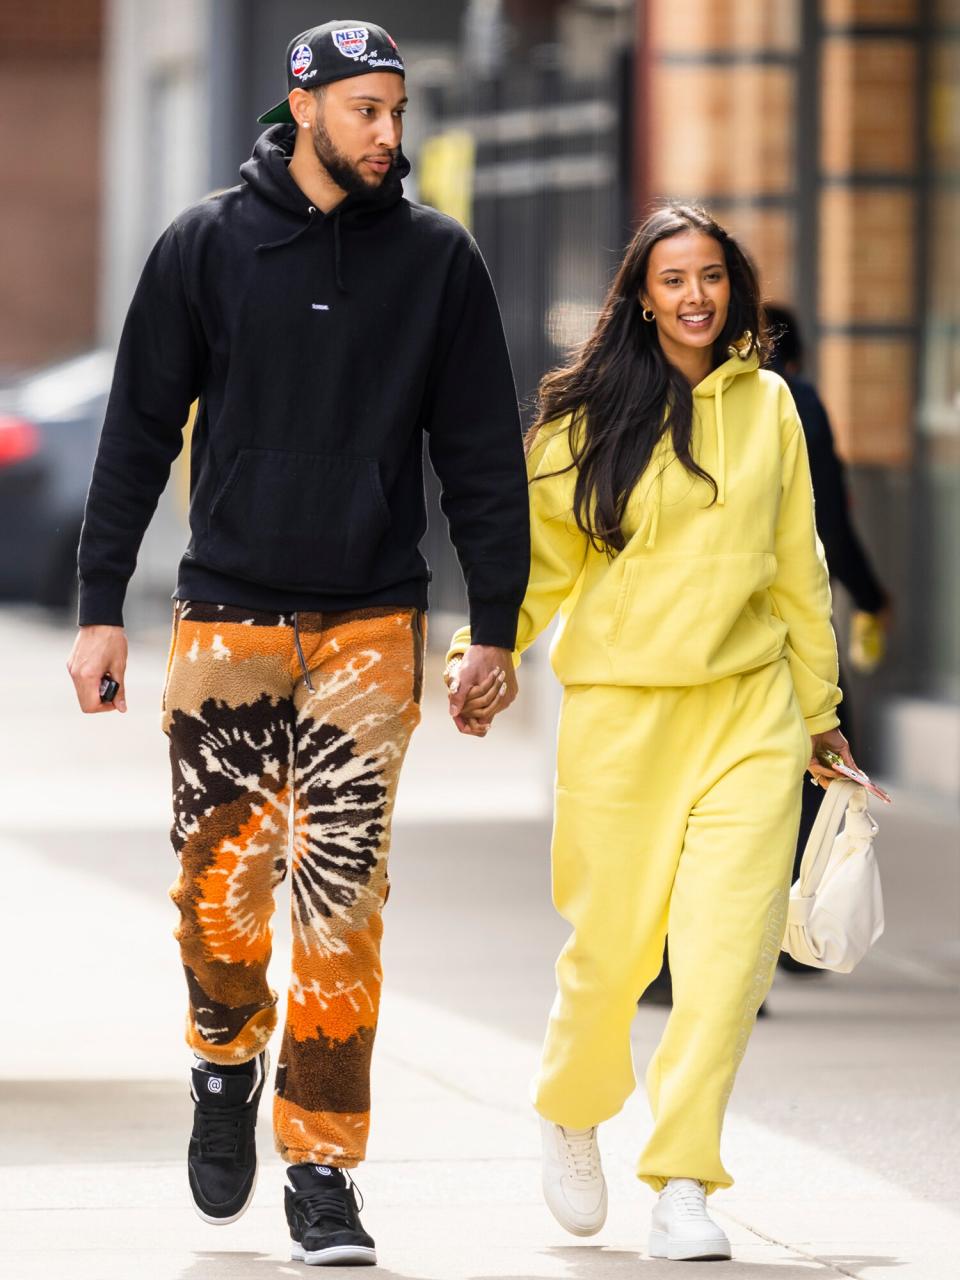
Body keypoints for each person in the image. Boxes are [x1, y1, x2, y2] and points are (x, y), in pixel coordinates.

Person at [67, 20, 529, 1269]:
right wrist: (102, 600)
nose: (390, 133)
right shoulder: (206, 247)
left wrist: (497, 623)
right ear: (304, 105)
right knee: (218, 897)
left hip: (371, 625)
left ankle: (322, 1165)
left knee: (342, 900)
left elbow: (482, 452)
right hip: (225, 620)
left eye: (398, 110)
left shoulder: (440, 261)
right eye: (367, 111)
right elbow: (136, 429)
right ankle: (225, 1060)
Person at [446, 203, 861, 1262]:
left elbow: (796, 571)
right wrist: (480, 652)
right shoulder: (585, 420)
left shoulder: (770, 407)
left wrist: (822, 714)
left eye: (712, 276)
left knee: (726, 965)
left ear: (735, 288)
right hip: (622, 721)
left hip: (749, 718)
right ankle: (573, 1105)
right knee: (612, 954)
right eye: (674, 278)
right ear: (640, 294)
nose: (695, 295)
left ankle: (684, 1178)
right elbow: (537, 568)